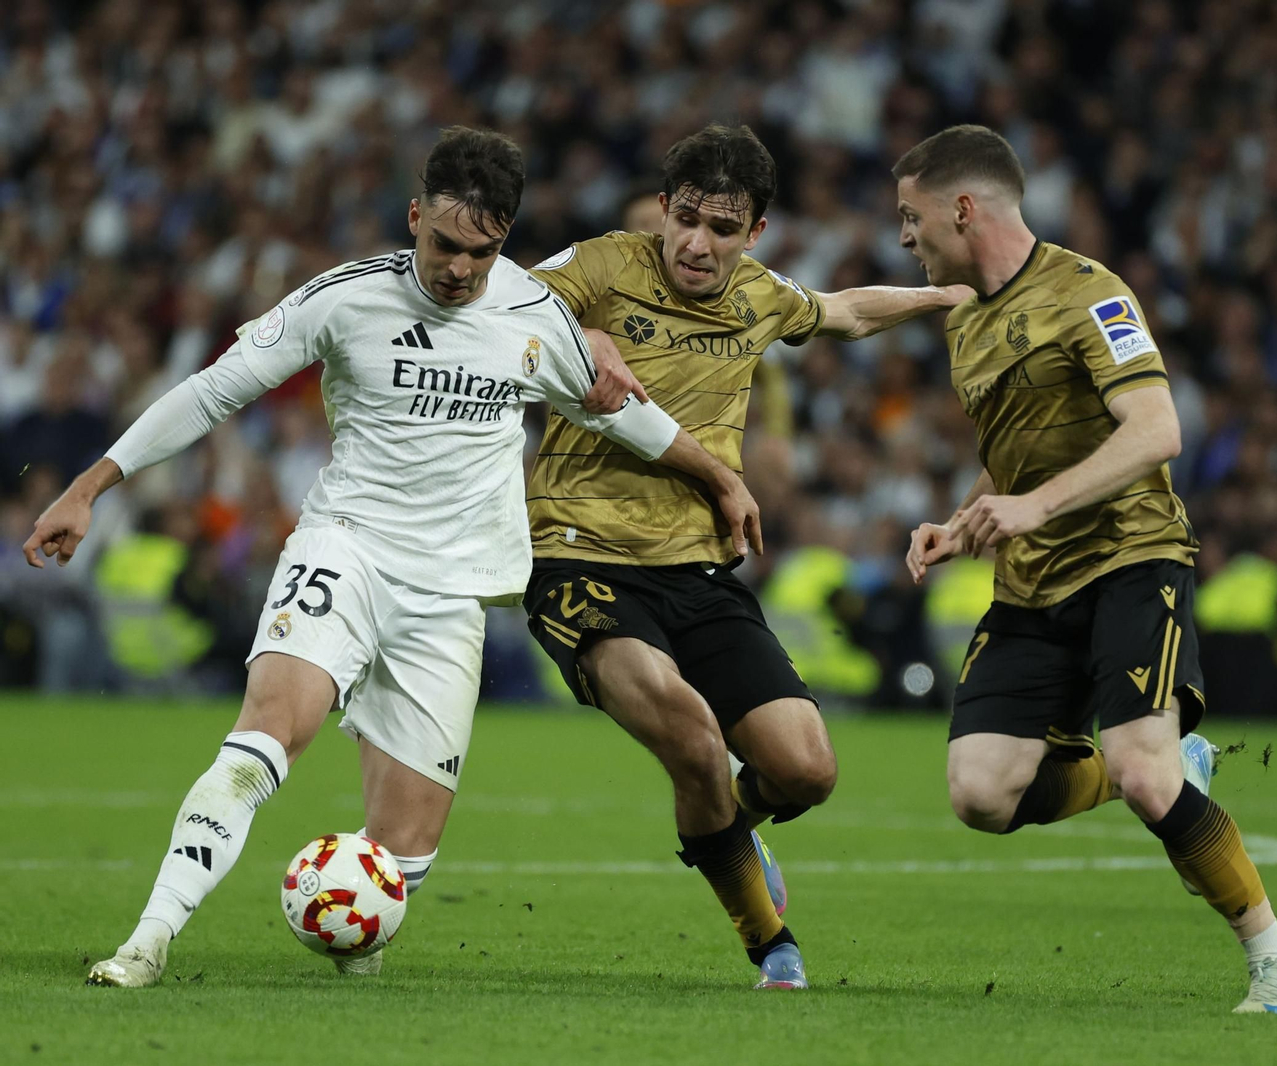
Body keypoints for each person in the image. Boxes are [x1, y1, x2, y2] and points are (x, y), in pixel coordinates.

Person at [24, 126, 754, 987]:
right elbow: (213, 389)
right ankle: (146, 942)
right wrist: (90, 484)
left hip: (452, 598)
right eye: (444, 244)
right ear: (414, 217)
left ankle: (347, 946)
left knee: (404, 861)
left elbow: (623, 414)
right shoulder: (345, 299)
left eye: (480, 251)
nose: (458, 268)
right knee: (264, 739)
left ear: (505, 240)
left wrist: (719, 478)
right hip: (349, 549)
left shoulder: (533, 315)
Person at [524, 123, 968, 989]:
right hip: (579, 558)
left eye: (723, 229)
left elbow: (842, 312)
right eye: (685, 219)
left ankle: (733, 825)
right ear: (662, 209)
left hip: (695, 569)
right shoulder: (608, 264)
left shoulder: (760, 296)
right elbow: (512, 297)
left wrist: (943, 299)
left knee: (806, 769)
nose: (698, 243)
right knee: (691, 734)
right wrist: (588, 337)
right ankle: (773, 947)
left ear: (755, 233)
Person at [896, 125, 1277, 1013]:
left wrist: (1033, 507)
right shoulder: (965, 320)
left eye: (912, 216)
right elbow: (1015, 453)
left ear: (963, 208)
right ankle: (1172, 761)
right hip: (1031, 581)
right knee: (980, 795)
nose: (905, 237)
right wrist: (969, 514)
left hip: (1132, 558)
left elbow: (1158, 430)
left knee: (1142, 771)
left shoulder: (1091, 294)